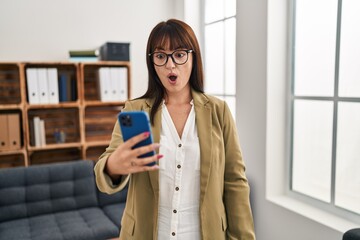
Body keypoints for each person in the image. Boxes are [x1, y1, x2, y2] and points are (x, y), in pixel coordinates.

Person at [94, 18, 255, 240]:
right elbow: (104, 173)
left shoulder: (219, 111)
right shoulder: (135, 109)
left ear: (193, 57)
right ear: (152, 62)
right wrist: (113, 165)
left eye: (179, 54)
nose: (170, 65)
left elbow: (235, 181)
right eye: (161, 56)